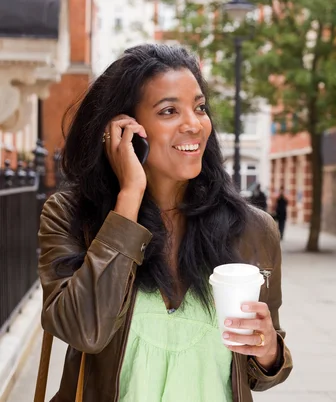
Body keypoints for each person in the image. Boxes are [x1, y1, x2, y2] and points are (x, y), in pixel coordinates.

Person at [37, 44, 292, 402]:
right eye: (169, 110)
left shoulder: (253, 230)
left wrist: (267, 351)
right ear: (123, 129)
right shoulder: (70, 216)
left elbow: (262, 372)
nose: (194, 124)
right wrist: (130, 195)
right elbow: (83, 331)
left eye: (200, 108)